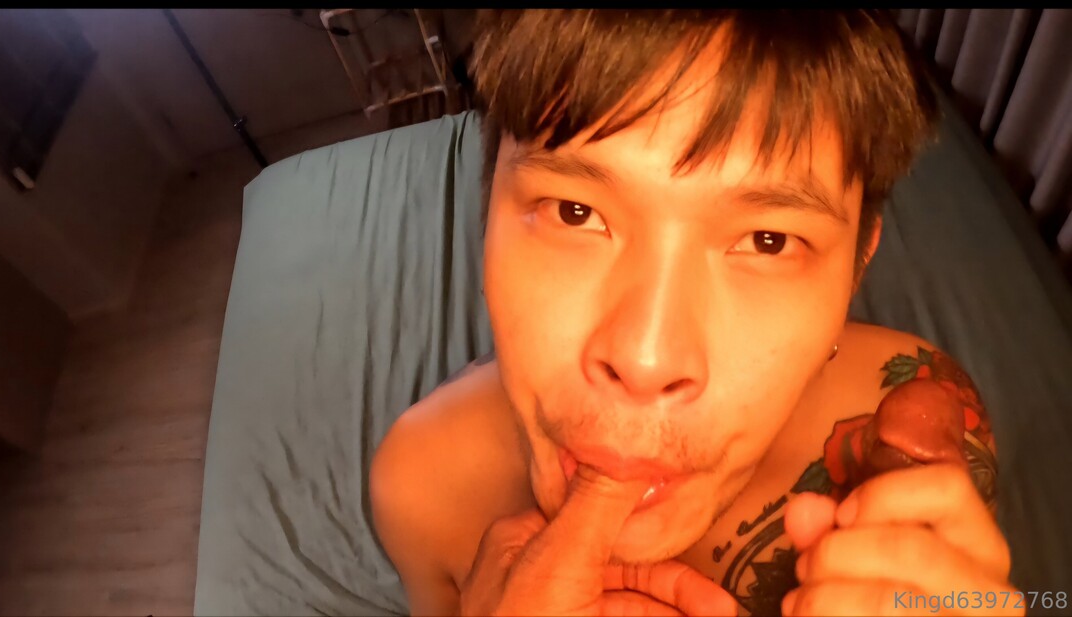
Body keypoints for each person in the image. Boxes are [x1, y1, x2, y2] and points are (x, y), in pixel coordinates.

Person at [370, 9, 1017, 616]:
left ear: (855, 271)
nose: (645, 360)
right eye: (575, 212)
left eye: (768, 240)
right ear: (487, 220)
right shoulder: (420, 487)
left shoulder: (918, 413)